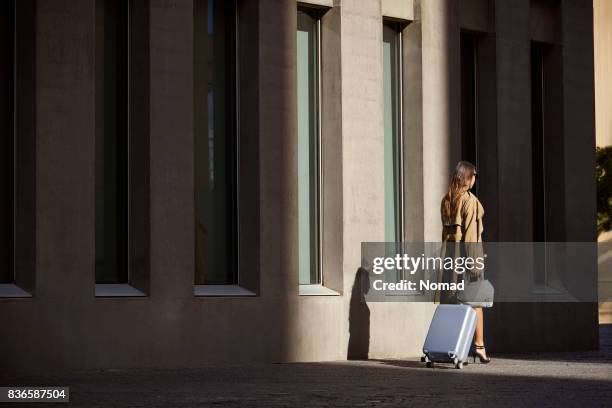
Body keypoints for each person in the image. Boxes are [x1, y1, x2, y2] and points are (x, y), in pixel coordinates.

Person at [440, 160, 491, 364]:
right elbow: (471, 237)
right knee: (476, 302)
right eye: (474, 175)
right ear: (468, 176)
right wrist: (474, 266)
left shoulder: (447, 199)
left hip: (451, 257)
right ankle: (479, 346)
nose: (475, 178)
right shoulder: (470, 201)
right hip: (469, 257)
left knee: (452, 301)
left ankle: (452, 347)